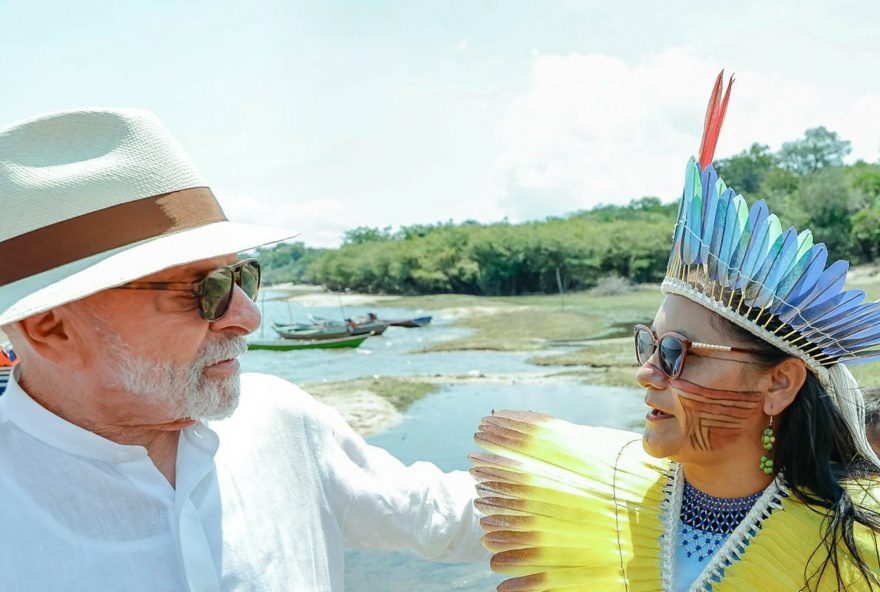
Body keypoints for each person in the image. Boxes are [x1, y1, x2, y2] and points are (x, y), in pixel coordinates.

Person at [0, 109, 485, 591]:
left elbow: (449, 515)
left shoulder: (281, 420)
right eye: (205, 289)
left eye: (242, 276)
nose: (248, 316)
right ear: (51, 329)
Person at [470, 73, 880, 591]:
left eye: (677, 352)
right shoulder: (597, 487)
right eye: (649, 343)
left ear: (778, 383)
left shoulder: (859, 548)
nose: (646, 374)